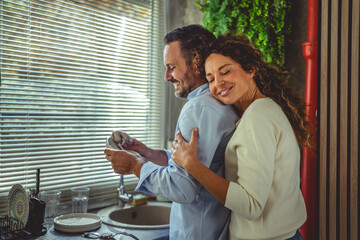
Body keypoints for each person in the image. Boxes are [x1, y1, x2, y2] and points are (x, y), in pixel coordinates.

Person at [104, 25, 239, 239]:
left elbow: (181, 187)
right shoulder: (216, 104)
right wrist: (146, 153)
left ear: (195, 61)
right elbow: (192, 166)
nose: (167, 76)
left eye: (171, 67)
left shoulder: (198, 108)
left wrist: (134, 165)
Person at [171, 34, 311, 240]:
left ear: (250, 69)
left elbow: (251, 205)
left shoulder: (258, 118)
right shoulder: (263, 109)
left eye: (226, 71)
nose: (218, 83)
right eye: (210, 79)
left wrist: (192, 165)